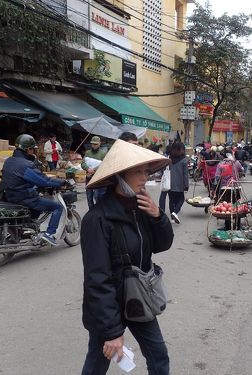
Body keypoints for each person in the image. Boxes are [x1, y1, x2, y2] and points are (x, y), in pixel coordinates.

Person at [80, 139, 173, 375]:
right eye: (138, 172)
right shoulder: (97, 219)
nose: (145, 177)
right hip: (108, 304)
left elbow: (163, 244)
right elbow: (97, 279)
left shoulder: (141, 207)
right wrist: (112, 331)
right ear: (120, 176)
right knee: (97, 362)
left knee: (158, 355)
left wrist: (157, 216)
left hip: (139, 297)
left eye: (147, 171)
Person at [2, 134, 66, 246]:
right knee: (57, 207)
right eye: (32, 149)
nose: (33, 152)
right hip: (24, 198)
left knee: (38, 204)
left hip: (10, 196)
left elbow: (19, 179)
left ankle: (28, 227)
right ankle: (50, 234)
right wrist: (60, 182)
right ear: (27, 149)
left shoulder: (9, 161)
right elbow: (43, 181)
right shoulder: (25, 164)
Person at [81, 136, 108, 209]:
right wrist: (88, 169)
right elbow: (82, 164)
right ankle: (91, 214)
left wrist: (94, 170)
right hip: (88, 178)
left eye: (96, 144)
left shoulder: (103, 154)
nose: (94, 146)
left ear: (99, 144)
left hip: (97, 179)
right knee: (89, 198)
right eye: (93, 144)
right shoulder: (88, 152)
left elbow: (104, 165)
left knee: (97, 197)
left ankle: (98, 213)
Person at [167, 141, 189, 224]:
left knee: (171, 200)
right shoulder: (183, 160)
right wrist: (186, 185)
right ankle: (174, 213)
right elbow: (185, 175)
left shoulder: (169, 158)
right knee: (181, 199)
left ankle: (172, 218)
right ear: (180, 149)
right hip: (179, 184)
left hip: (170, 183)